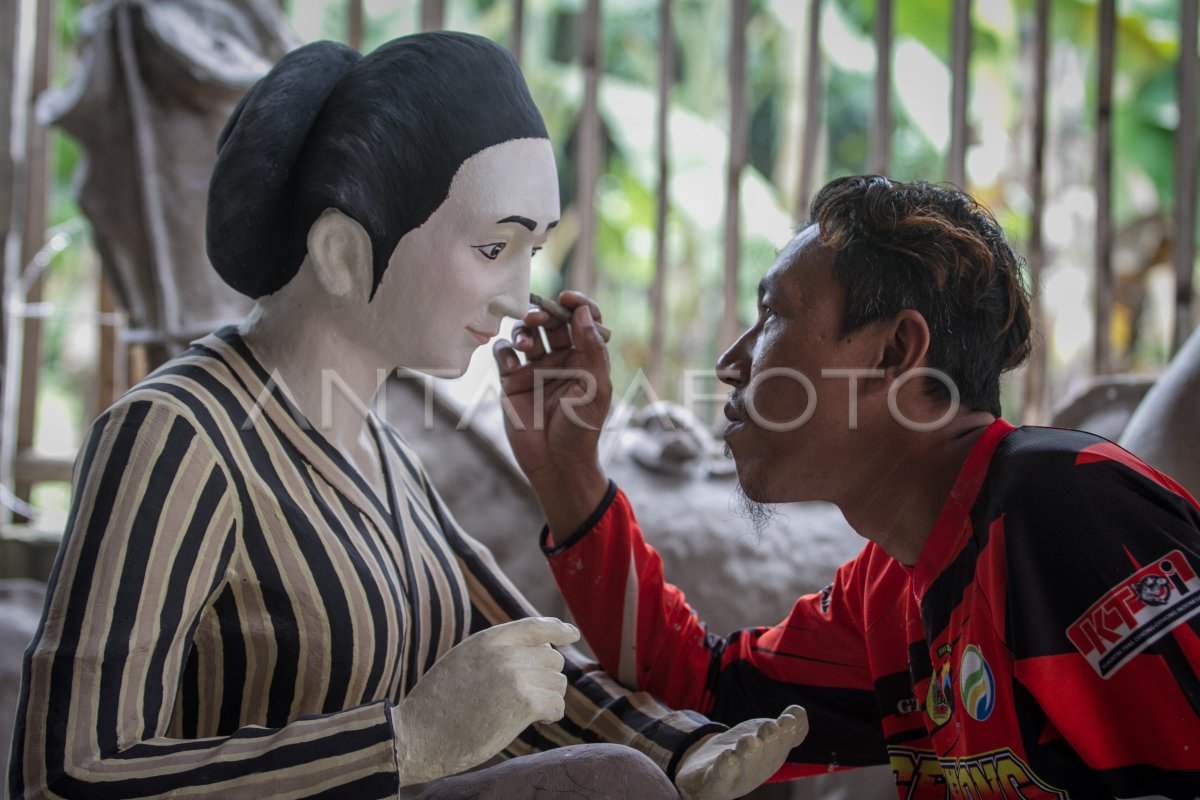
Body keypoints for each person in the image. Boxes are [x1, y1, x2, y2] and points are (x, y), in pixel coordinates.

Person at [7, 33, 807, 800]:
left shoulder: (383, 454)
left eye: (533, 252)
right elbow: (65, 776)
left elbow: (515, 659)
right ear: (343, 253)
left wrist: (679, 744)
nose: (517, 297)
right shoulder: (176, 438)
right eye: (495, 249)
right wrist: (403, 744)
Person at [494, 175, 1200, 798]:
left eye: (772, 315)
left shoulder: (1064, 507)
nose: (730, 363)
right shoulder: (888, 594)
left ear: (894, 352)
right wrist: (568, 472)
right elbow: (700, 693)